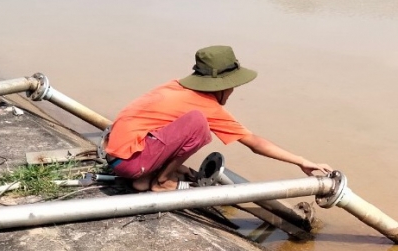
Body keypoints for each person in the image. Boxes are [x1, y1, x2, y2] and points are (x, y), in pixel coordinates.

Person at [104, 45, 333, 192]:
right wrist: (301, 161)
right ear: (221, 85)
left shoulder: (176, 87)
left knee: (187, 124)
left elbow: (152, 126)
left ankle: (149, 175)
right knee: (198, 125)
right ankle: (161, 182)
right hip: (130, 163)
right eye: (231, 86)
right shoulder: (204, 104)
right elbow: (254, 143)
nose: (232, 92)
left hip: (117, 156)